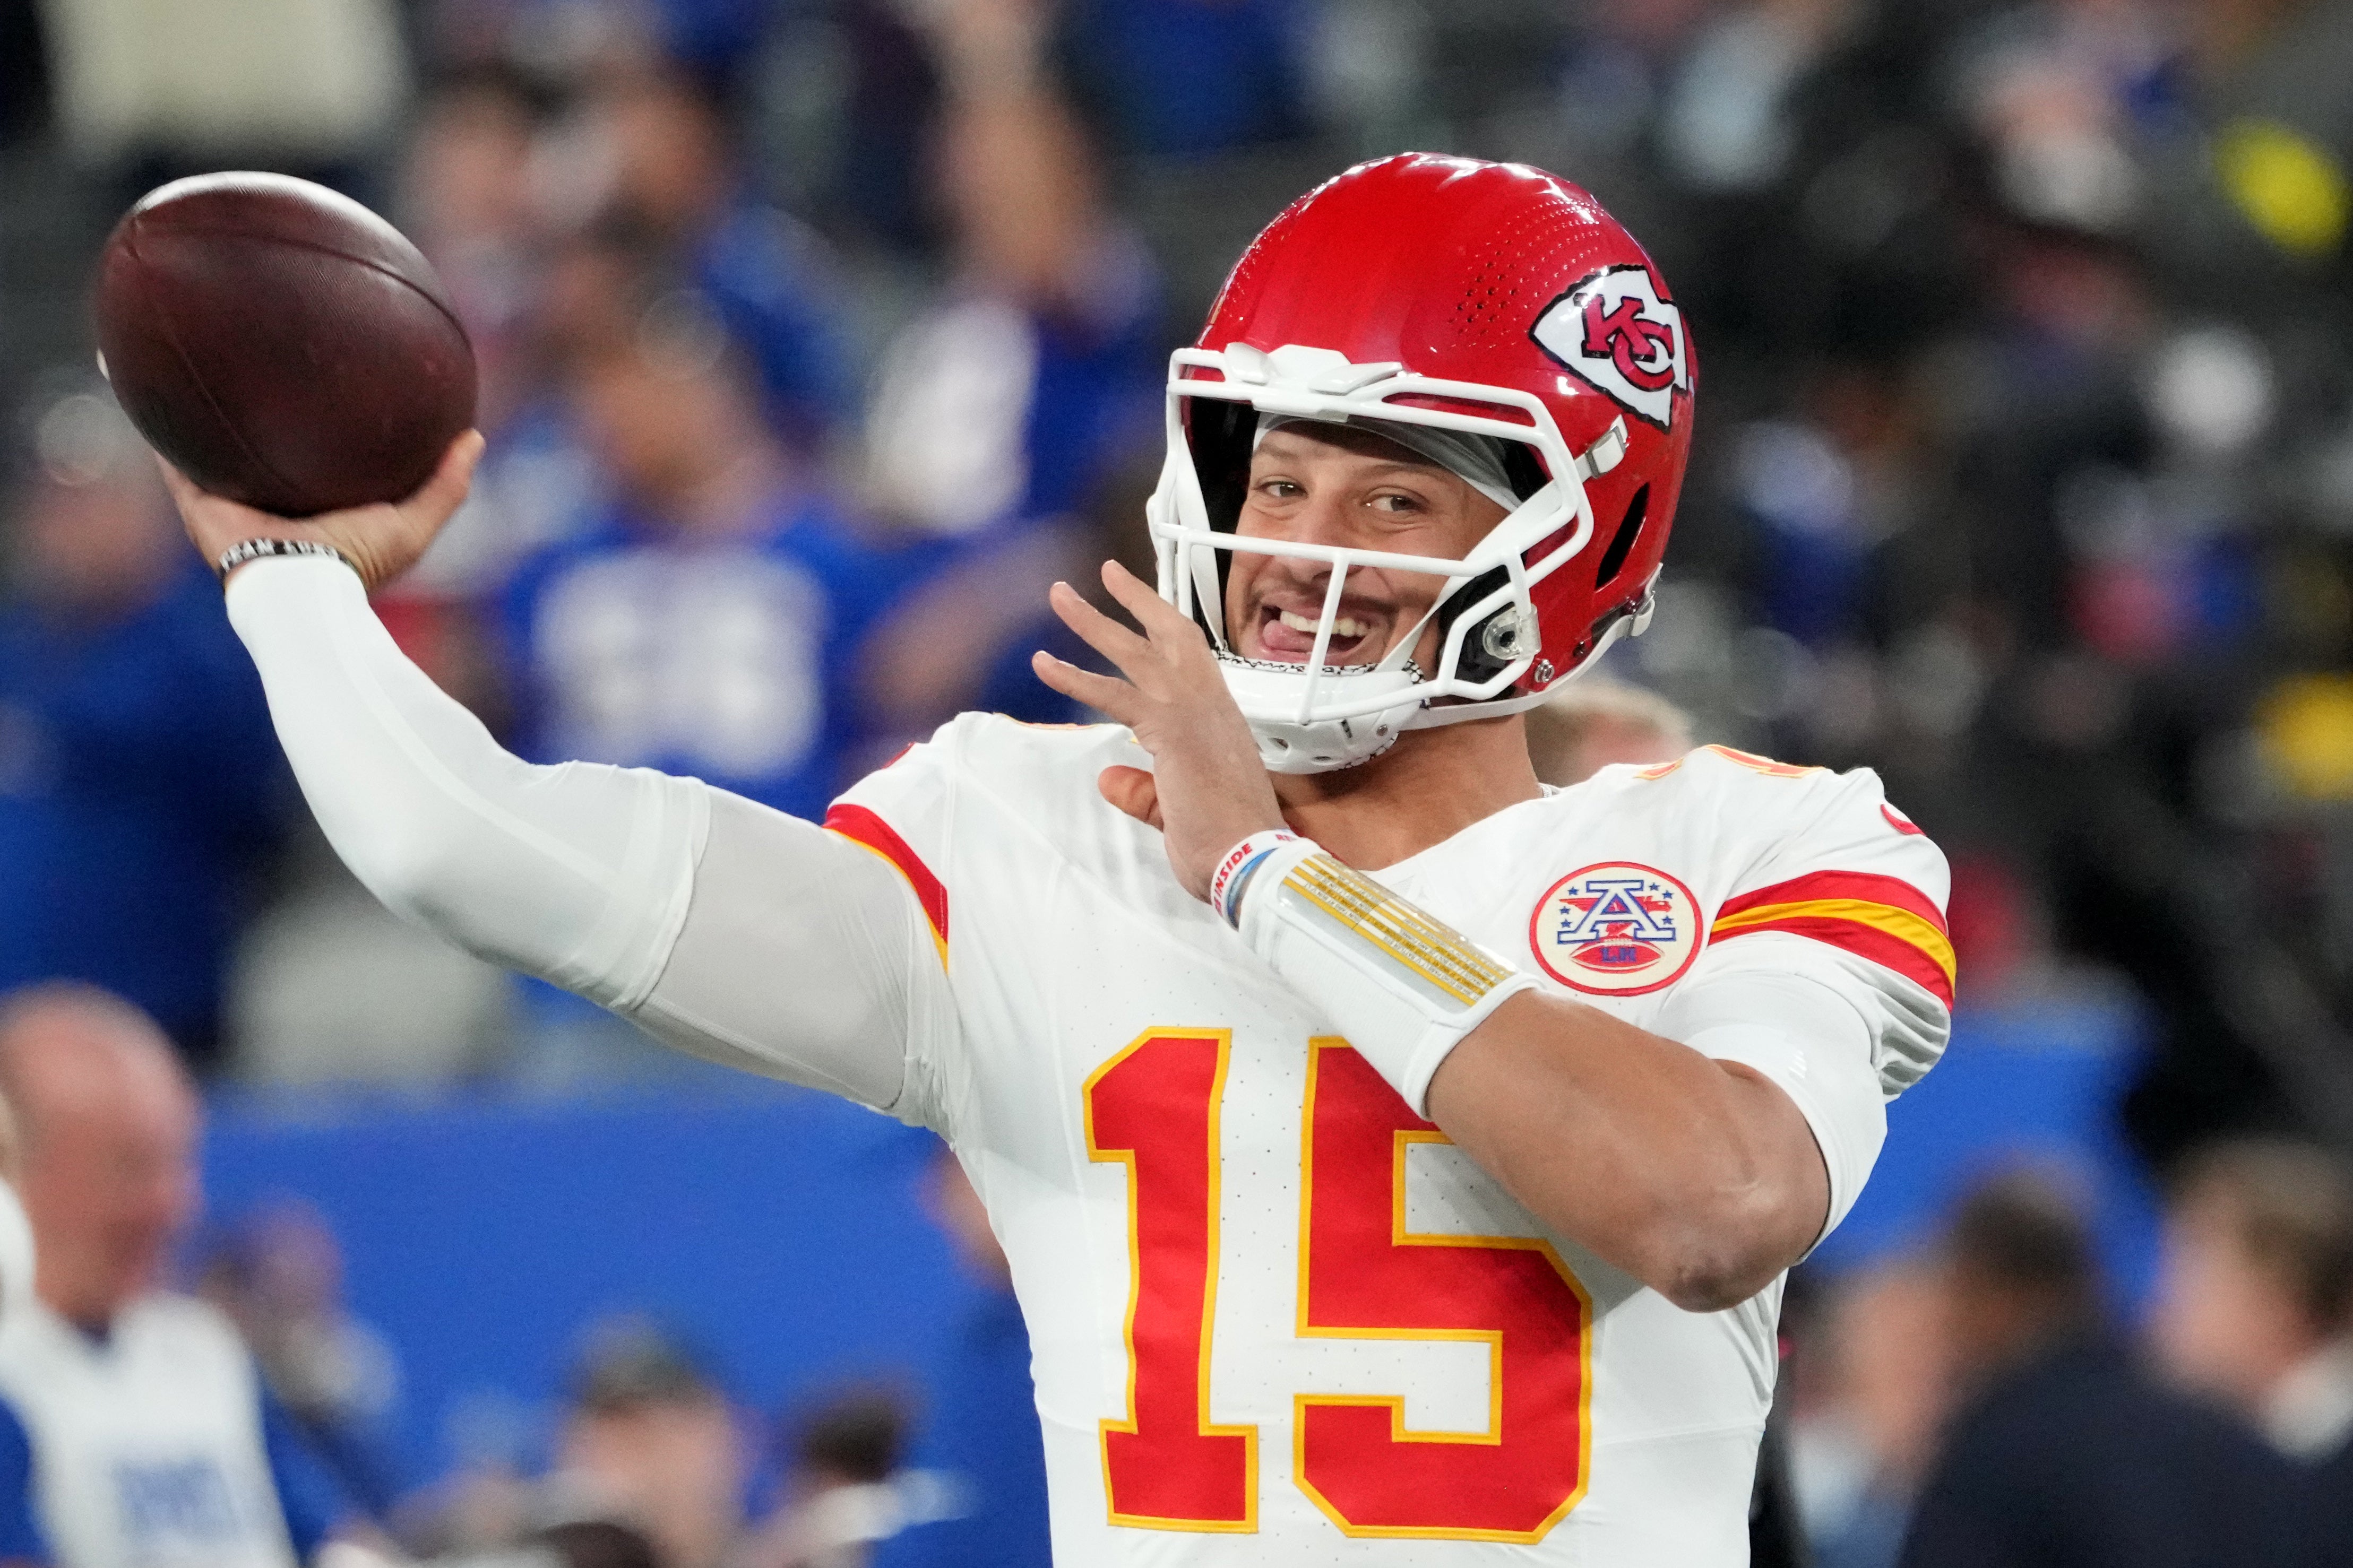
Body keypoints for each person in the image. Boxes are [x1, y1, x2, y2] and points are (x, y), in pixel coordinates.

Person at [166, 153, 1954, 1563]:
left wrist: (1268, 879)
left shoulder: (1761, 840)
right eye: (1274, 475)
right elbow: (466, 846)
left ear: (1587, 535)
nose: (1295, 547)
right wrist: (291, 583)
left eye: (1395, 496)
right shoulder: (1026, 831)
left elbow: (1709, 1209)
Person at [0, 983, 351, 1568]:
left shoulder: (204, 1356)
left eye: (178, 1162)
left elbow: (334, 1544)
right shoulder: (13, 1377)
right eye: (132, 1167)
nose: (175, 1205)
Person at [1896, 1169, 2305, 1568]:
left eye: (1954, 1290)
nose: (1946, 1321)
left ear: (1988, 1289)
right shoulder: (2225, 1437)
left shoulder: (1996, 1455)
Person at [2148, 1138, 2353, 1460]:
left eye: (2189, 1274)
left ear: (2278, 1293)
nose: (2160, 1309)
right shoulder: (2276, 1453)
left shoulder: (2327, 1471)